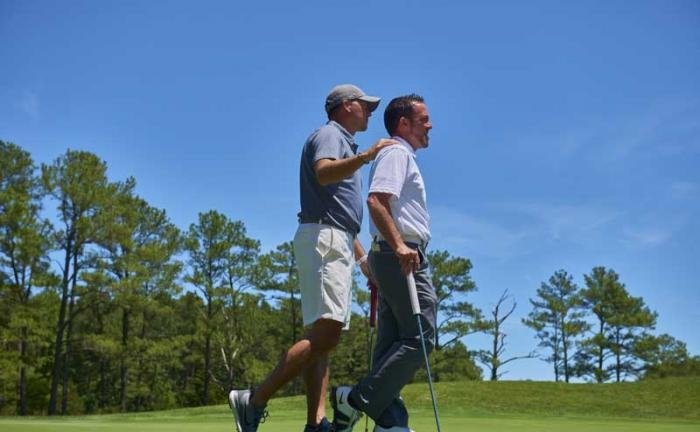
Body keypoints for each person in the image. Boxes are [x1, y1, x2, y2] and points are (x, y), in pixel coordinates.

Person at [228, 84, 396, 432]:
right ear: (346, 106)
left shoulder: (341, 141)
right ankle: (254, 399)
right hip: (325, 239)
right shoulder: (329, 135)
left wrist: (362, 259)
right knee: (328, 335)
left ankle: (315, 422)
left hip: (333, 237)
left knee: (320, 335)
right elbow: (323, 171)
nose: (369, 112)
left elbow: (338, 211)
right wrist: (367, 155)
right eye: (365, 106)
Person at [330, 94, 436, 432]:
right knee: (422, 336)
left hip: (393, 253)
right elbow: (376, 201)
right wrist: (401, 246)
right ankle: (354, 400)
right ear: (403, 124)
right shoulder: (396, 152)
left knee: (394, 341)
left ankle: (389, 421)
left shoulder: (400, 155)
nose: (430, 125)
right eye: (424, 119)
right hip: (400, 254)